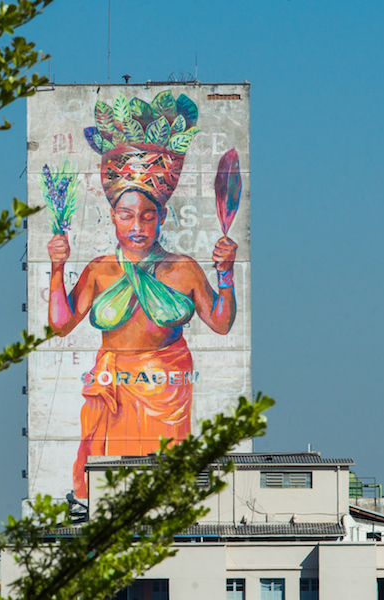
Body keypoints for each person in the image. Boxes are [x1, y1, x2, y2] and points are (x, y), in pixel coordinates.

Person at [47, 131, 237, 499]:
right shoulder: (99, 270)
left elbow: (221, 323)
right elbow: (61, 325)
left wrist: (225, 273)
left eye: (147, 217)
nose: (137, 227)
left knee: (162, 482)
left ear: (162, 216)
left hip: (167, 388)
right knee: (108, 480)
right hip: (113, 386)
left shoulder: (183, 269)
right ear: (113, 216)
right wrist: (57, 266)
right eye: (126, 216)